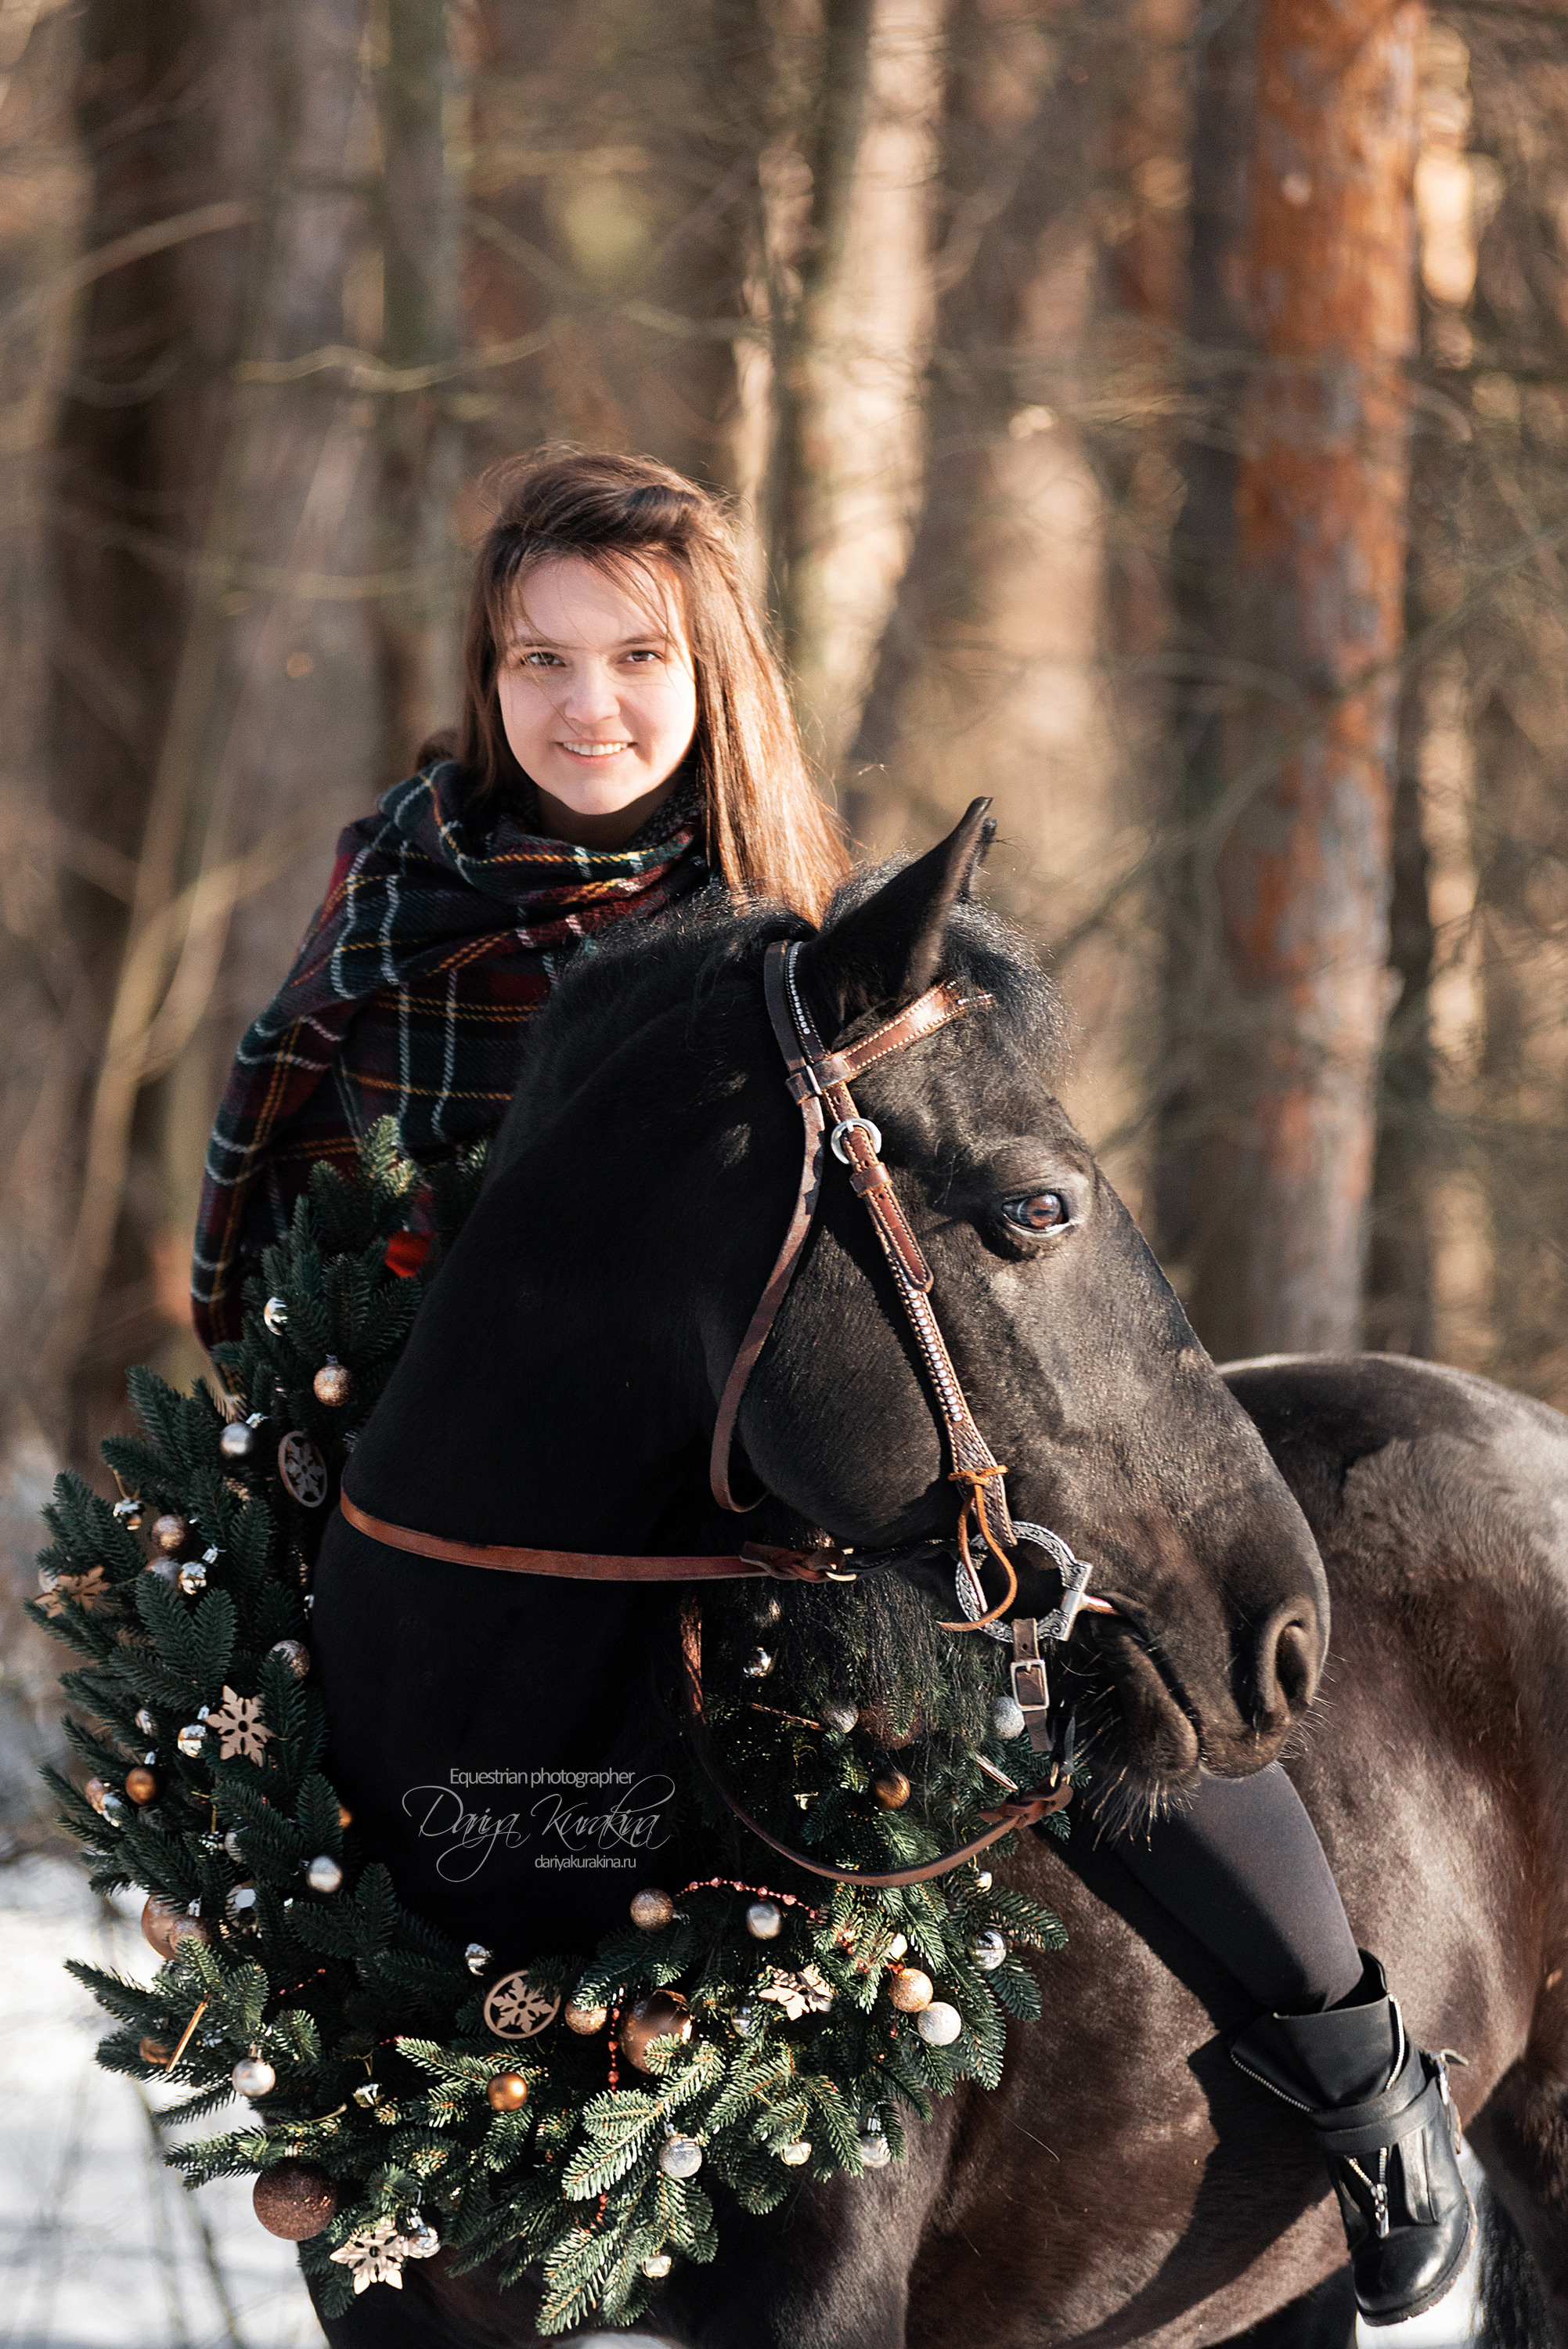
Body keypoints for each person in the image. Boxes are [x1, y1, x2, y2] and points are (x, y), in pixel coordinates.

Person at [190, 448, 1471, 2326]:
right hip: (486, 1524)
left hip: (777, 1505)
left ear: (716, 673)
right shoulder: (391, 926)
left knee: (1086, 1632)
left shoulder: (799, 935)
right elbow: (281, 1240)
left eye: (636, 656)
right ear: (489, 672)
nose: (585, 705)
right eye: (538, 659)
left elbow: (941, 1264)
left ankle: (1355, 2064)